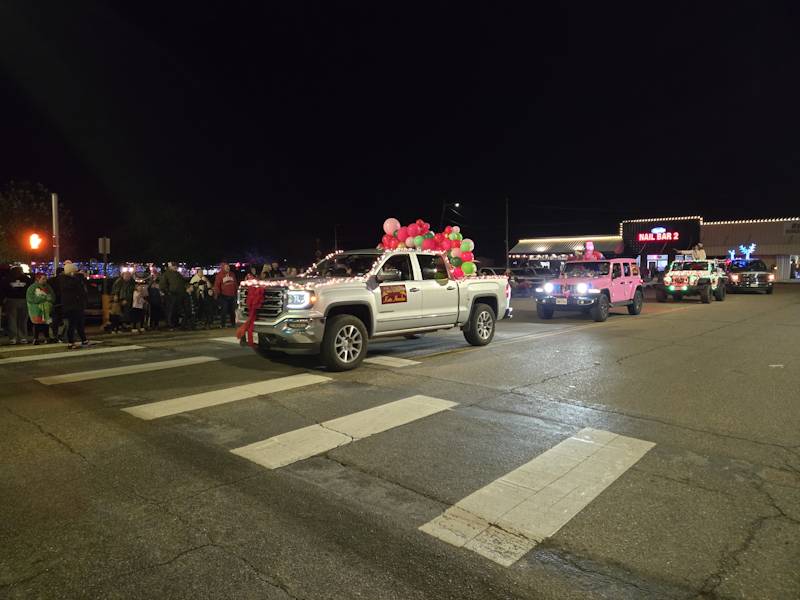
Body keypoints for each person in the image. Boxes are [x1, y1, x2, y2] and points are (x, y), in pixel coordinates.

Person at [59, 262, 89, 349]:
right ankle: (71, 342)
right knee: (72, 324)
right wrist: (79, 276)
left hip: (76, 305)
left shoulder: (72, 279)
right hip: (71, 306)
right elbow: (74, 287)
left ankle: (83, 339)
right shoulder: (66, 280)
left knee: (79, 323)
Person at [1, 266, 31, 344]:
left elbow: (3, 290)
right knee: (23, 320)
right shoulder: (27, 279)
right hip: (24, 300)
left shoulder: (7, 279)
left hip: (11, 300)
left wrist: (3, 300)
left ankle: (13, 337)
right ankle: (23, 337)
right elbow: (30, 289)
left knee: (12, 320)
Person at [26, 272, 55, 345]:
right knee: (37, 324)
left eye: (46, 279)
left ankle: (47, 338)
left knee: (46, 324)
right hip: (36, 310)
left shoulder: (48, 287)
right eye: (43, 279)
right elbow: (30, 298)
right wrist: (44, 298)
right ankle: (36, 338)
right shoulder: (32, 288)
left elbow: (52, 297)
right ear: (38, 279)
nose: (45, 280)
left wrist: (45, 299)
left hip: (46, 309)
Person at [160, 262, 186, 330]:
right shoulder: (166, 274)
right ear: (170, 267)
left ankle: (175, 323)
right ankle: (169, 324)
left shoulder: (178, 274)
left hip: (179, 295)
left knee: (176, 310)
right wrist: (167, 292)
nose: (175, 267)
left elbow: (182, 283)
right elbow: (162, 285)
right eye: (174, 266)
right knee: (170, 310)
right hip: (171, 295)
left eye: (176, 266)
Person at [214, 262, 238, 328]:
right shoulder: (219, 275)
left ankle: (233, 323)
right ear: (223, 268)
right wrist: (218, 294)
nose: (228, 268)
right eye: (226, 267)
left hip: (232, 295)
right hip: (223, 296)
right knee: (224, 310)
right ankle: (223, 324)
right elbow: (217, 285)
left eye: (228, 267)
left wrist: (236, 291)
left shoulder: (232, 274)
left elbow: (235, 283)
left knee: (232, 310)